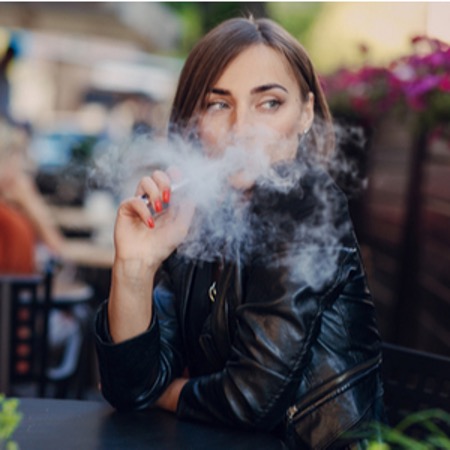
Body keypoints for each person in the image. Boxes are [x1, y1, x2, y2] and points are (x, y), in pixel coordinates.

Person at [94, 17, 384, 449]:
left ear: (305, 113)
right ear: (194, 120)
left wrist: (166, 393)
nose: (242, 129)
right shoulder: (196, 218)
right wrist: (135, 267)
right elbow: (130, 387)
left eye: (269, 103)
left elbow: (249, 399)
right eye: (218, 104)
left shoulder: (307, 202)